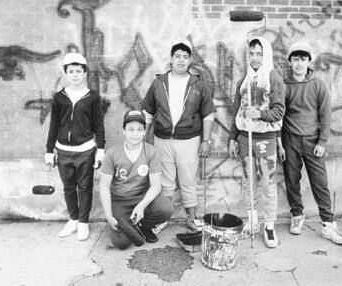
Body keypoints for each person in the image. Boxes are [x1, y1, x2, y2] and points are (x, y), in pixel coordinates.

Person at [142, 38, 216, 230]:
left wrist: (206, 140)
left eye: (185, 57)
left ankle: (192, 218)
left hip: (189, 140)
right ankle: (162, 218)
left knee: (188, 180)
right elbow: (148, 113)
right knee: (165, 182)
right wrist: (143, 140)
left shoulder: (198, 84)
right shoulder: (159, 83)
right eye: (177, 56)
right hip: (162, 139)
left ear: (190, 60)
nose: (181, 60)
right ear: (171, 59)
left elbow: (208, 114)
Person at [281, 41, 342, 245]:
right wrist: (280, 144)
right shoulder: (284, 85)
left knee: (320, 183)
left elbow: (325, 115)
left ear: (309, 61)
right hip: (290, 139)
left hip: (312, 141)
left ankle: (328, 223)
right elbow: (279, 115)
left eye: (303, 59)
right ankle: (297, 215)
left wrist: (322, 141)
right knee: (292, 180)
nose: (299, 63)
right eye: (295, 59)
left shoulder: (317, 84)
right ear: (290, 62)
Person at [228, 37, 285, 248]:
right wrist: (233, 137)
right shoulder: (244, 79)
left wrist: (259, 114)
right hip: (245, 138)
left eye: (259, 53)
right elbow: (237, 111)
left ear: (266, 54)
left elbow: (279, 112)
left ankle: (268, 226)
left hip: (265, 139)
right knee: (248, 181)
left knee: (268, 184)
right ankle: (251, 222)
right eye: (251, 53)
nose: (254, 57)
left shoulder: (273, 77)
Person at [44, 52, 105, 240]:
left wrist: (100, 150)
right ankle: (73, 219)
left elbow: (98, 125)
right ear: (66, 73)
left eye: (79, 71)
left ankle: (84, 222)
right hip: (63, 150)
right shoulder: (59, 97)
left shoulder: (93, 97)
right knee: (68, 187)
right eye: (71, 71)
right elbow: (54, 124)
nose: (75, 75)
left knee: (84, 187)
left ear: (85, 73)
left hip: (85, 150)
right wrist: (49, 150)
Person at [98, 110, 173, 250]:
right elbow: (104, 186)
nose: (135, 133)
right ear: (124, 131)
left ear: (145, 132)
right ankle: (130, 224)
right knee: (121, 242)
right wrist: (108, 215)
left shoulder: (152, 152)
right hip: (120, 200)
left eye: (139, 129)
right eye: (131, 129)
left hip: (141, 197)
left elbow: (156, 186)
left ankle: (145, 226)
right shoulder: (112, 153)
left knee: (166, 208)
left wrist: (142, 205)